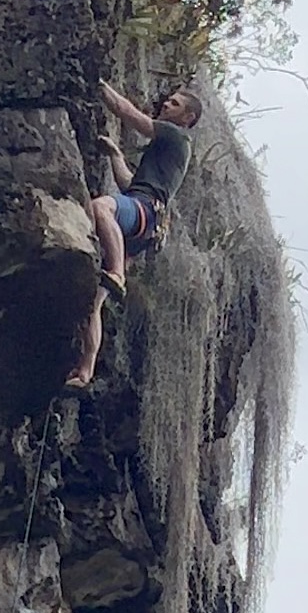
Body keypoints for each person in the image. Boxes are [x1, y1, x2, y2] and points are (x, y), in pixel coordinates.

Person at [66, 80, 205, 388]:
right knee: (94, 302)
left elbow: (128, 113)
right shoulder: (167, 155)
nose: (166, 105)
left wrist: (99, 84)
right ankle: (85, 370)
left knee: (101, 207)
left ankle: (116, 271)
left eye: (175, 104)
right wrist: (115, 153)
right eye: (168, 101)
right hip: (145, 222)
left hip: (144, 211)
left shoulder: (175, 135)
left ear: (187, 119)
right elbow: (131, 183)